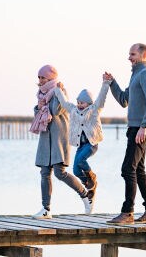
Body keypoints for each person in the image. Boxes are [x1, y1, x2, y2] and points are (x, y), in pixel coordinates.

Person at [104, 43, 146, 224]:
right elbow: (123, 100)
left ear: (144, 55)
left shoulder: (145, 74)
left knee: (128, 169)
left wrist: (144, 126)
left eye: (133, 54)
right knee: (139, 170)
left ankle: (128, 213)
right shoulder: (135, 75)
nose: (129, 57)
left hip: (141, 129)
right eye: (129, 54)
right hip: (134, 128)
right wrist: (112, 83)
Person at [30, 64, 93, 219]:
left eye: (43, 77)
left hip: (59, 137)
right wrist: (38, 107)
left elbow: (57, 111)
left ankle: (85, 194)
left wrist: (58, 92)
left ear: (50, 77)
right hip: (46, 137)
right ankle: (46, 209)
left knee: (60, 173)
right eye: (38, 77)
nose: (40, 80)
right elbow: (39, 114)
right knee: (44, 173)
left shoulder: (60, 90)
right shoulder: (41, 94)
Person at [54, 77, 111, 202]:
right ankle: (90, 184)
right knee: (75, 169)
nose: (79, 105)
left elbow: (101, 98)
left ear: (89, 103)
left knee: (81, 160)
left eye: (82, 103)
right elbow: (64, 103)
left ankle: (92, 177)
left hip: (91, 144)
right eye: (78, 102)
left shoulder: (94, 109)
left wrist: (106, 84)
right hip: (81, 145)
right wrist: (58, 90)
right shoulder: (73, 110)